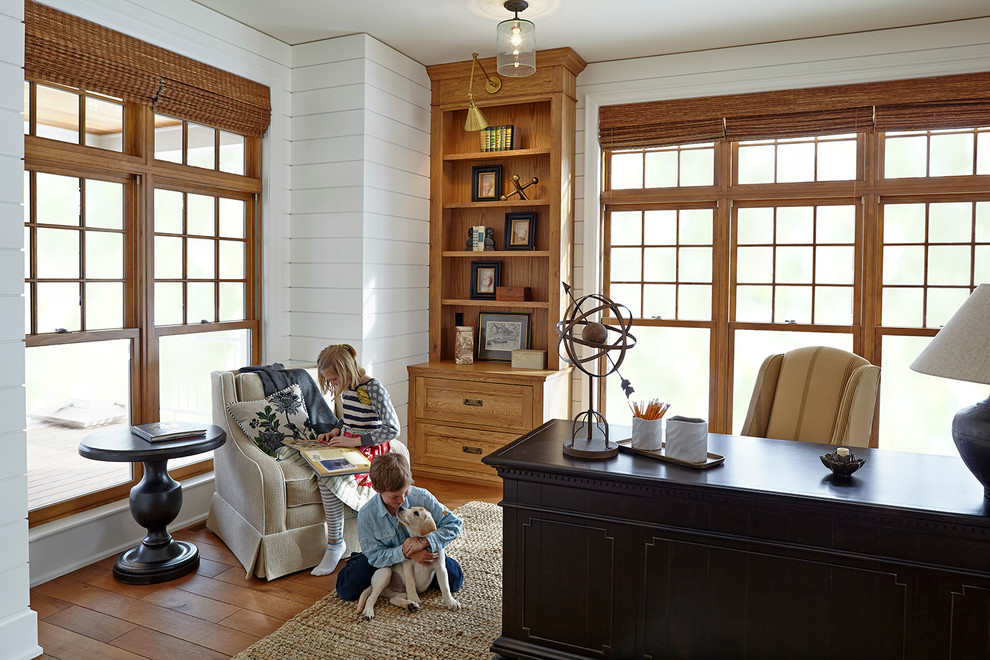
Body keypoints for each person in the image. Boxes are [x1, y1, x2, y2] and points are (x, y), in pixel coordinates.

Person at [300, 344, 401, 576]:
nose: (333, 384)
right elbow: (349, 419)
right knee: (318, 465)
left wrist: (356, 441)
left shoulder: (374, 388)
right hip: (349, 443)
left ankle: (335, 544)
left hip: (371, 450)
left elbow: (392, 429)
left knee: (330, 475)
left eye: (334, 379)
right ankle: (336, 543)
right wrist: (335, 432)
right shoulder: (349, 388)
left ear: (346, 369)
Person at [335, 452, 464, 601]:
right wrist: (407, 553)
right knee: (346, 591)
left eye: (405, 492)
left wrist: (424, 542)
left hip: (423, 550)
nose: (402, 500)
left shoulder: (422, 497)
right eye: (395, 497)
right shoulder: (367, 514)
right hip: (384, 557)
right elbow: (375, 557)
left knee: (455, 581)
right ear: (377, 490)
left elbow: (454, 525)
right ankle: (355, 558)